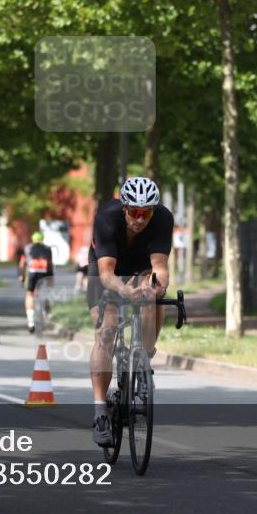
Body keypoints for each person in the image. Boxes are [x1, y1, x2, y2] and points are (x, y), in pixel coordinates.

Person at [86, 177, 172, 447]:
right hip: (106, 267)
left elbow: (160, 267)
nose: (139, 218)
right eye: (134, 212)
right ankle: (100, 411)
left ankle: (143, 361)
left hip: (141, 266)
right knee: (106, 331)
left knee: (150, 301)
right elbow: (106, 274)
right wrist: (124, 291)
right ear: (124, 208)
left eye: (145, 212)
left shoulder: (162, 219)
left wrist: (157, 288)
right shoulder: (107, 218)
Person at [18, 231, 55, 333]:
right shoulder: (48, 249)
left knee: (29, 295)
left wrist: (21, 275)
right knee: (45, 294)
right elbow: (50, 263)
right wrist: (51, 279)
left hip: (32, 272)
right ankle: (45, 316)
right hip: (44, 272)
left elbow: (22, 264)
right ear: (42, 239)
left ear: (33, 239)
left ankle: (31, 323)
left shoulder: (27, 248)